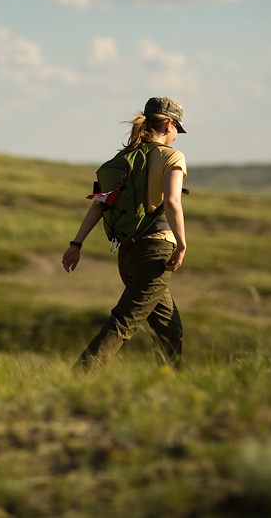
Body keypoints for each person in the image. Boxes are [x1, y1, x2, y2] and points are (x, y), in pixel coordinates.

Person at [62, 97, 188, 371]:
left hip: (128, 254)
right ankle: (79, 376)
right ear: (168, 124)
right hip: (156, 253)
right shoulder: (172, 157)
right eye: (177, 127)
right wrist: (181, 244)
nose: (177, 134)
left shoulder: (121, 159)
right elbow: (172, 202)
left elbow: (99, 204)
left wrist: (77, 243)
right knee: (123, 322)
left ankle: (175, 384)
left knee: (169, 327)